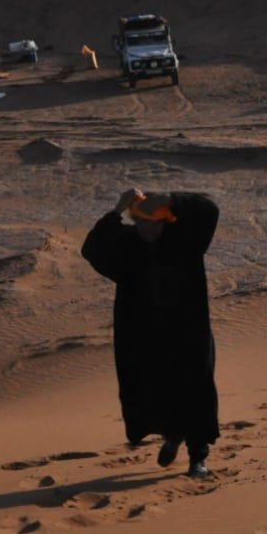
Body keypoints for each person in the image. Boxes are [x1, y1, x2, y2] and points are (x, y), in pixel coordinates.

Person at [82, 189, 222, 479]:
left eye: (155, 222)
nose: (149, 229)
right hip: (146, 337)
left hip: (188, 334)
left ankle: (198, 458)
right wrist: (116, 210)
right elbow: (92, 249)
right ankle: (173, 437)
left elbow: (208, 209)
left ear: (166, 221)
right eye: (143, 222)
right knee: (158, 393)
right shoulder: (127, 246)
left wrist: (170, 199)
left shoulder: (187, 242)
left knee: (196, 391)